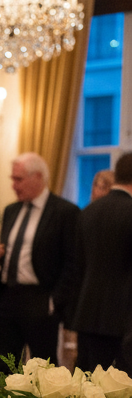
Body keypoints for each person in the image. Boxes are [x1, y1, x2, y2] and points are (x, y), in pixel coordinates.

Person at [0, 152, 79, 368]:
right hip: (6, 296)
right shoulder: (11, 210)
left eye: (18, 179)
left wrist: (54, 301)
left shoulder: (64, 211)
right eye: (12, 179)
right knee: (5, 369)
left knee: (42, 370)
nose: (13, 185)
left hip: (40, 298)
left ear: (38, 177)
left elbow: (73, 263)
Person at [73, 152, 132, 373]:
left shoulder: (87, 212)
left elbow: (78, 266)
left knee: (89, 389)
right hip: (125, 320)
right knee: (120, 394)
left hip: (88, 313)